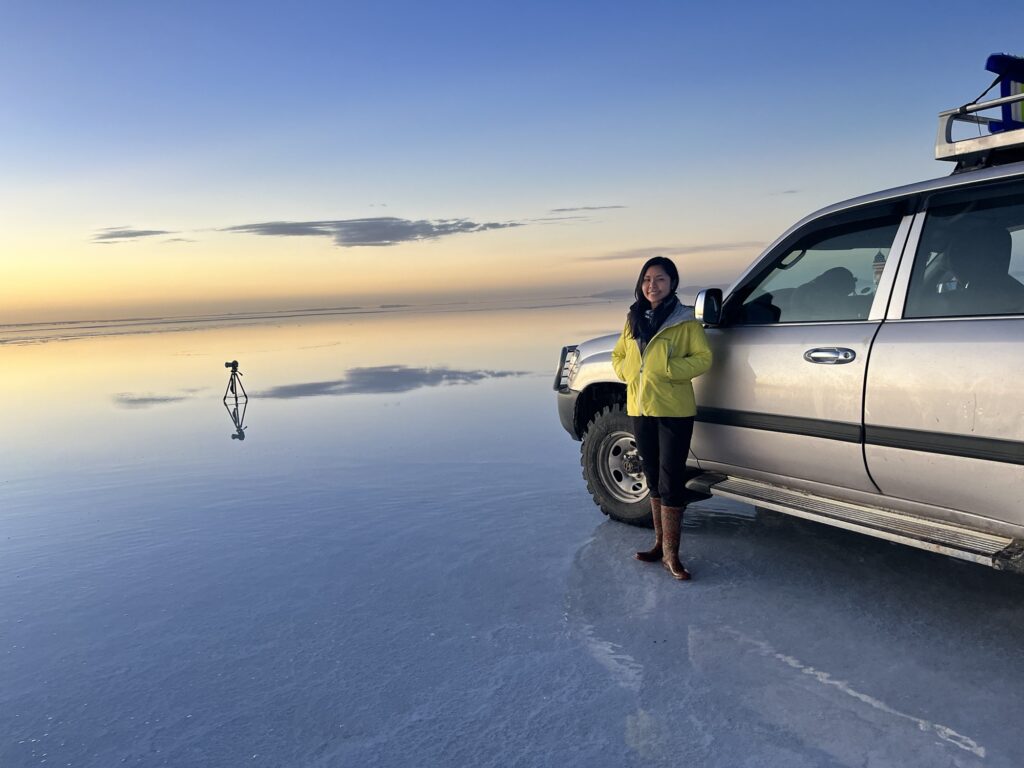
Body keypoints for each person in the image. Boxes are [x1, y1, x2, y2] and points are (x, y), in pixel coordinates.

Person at [611, 257, 712, 580]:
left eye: (660, 280)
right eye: (647, 280)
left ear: (672, 284)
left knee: (671, 481)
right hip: (640, 408)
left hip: (673, 410)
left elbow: (703, 358)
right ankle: (658, 545)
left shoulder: (685, 322)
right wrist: (631, 371)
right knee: (653, 477)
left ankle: (672, 555)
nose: (652, 286)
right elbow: (619, 356)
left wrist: (667, 370)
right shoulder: (633, 319)